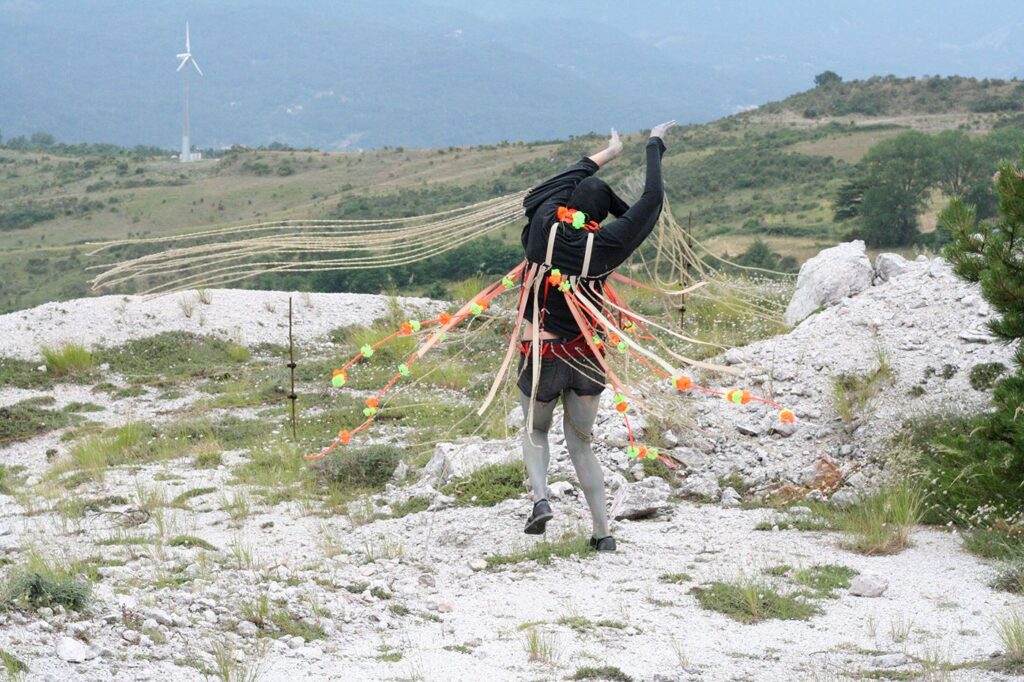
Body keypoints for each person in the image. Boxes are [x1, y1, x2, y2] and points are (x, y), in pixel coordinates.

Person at [516, 120, 676, 551]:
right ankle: (603, 534)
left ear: (570, 200)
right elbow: (653, 199)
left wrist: (609, 152)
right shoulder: (609, 243)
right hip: (588, 358)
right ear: (602, 213)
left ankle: (541, 500)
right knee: (581, 444)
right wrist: (654, 145)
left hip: (542, 353)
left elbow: (562, 179)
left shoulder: (542, 223)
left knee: (536, 430)